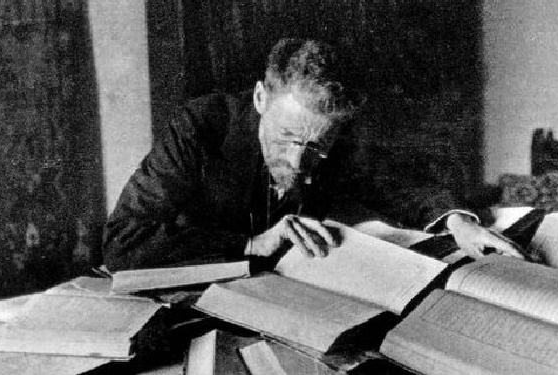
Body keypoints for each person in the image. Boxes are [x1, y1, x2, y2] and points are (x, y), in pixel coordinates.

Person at [102, 38, 522, 271]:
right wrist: (252, 243)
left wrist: (456, 220)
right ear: (261, 97)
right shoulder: (201, 126)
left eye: (316, 146)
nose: (300, 163)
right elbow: (123, 242)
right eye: (286, 136)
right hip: (191, 298)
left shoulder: (334, 139)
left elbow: (395, 186)